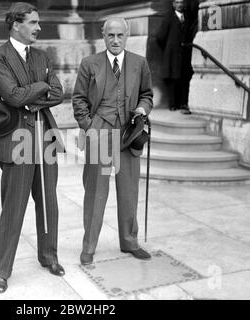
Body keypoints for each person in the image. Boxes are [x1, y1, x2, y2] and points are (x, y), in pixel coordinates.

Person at [0, 2, 65, 293]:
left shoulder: (42, 55)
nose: (38, 28)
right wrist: (40, 86)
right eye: (32, 23)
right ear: (15, 24)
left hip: (45, 137)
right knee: (14, 207)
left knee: (48, 202)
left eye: (38, 22)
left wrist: (33, 94)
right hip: (16, 141)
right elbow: (12, 95)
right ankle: (2, 271)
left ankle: (49, 257)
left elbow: (58, 92)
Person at [72, 18, 153, 265]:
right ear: (103, 36)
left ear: (127, 35)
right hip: (100, 133)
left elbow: (147, 95)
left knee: (129, 191)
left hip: (129, 135)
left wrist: (142, 108)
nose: (115, 40)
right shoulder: (90, 64)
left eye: (120, 35)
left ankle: (129, 242)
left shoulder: (139, 63)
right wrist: (89, 126)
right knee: (96, 192)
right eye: (110, 36)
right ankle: (89, 247)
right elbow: (79, 100)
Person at [156, 0, 194, 114]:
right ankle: (173, 104)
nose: (180, 5)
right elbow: (160, 37)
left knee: (183, 78)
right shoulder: (169, 18)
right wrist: (169, 47)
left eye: (182, 2)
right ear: (173, 5)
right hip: (172, 54)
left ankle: (183, 103)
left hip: (184, 54)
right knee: (173, 79)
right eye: (177, 2)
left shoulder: (187, 17)